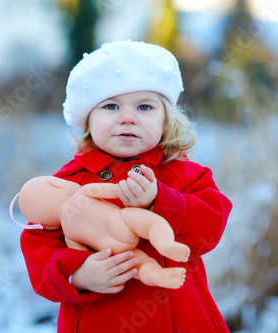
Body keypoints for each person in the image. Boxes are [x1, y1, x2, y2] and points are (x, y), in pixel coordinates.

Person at [20, 40, 232, 333]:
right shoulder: (69, 183)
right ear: (88, 120)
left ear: (166, 119)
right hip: (100, 319)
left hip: (180, 316)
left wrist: (161, 201)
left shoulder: (185, 175)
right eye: (111, 105)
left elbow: (211, 227)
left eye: (144, 106)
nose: (128, 117)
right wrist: (78, 275)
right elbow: (38, 247)